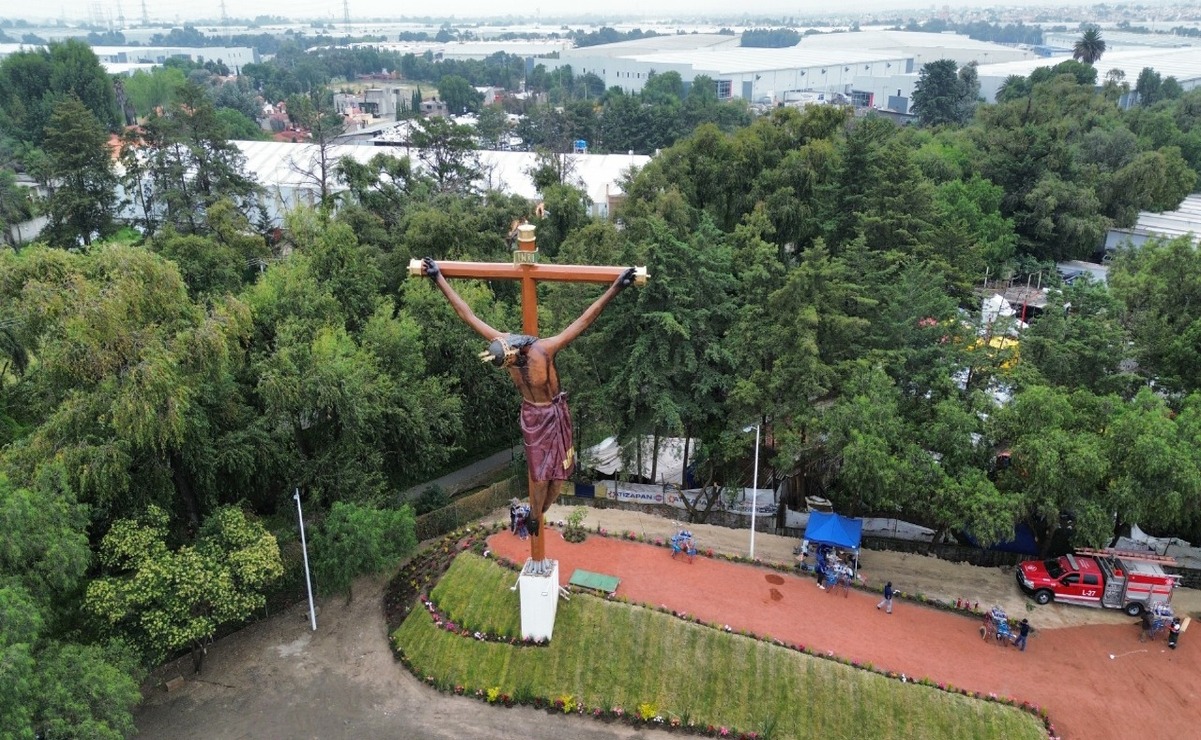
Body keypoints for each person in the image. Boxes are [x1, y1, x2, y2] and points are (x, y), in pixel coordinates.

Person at [422, 257, 637, 576]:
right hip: (533, 418)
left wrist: (615, 288)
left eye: (511, 361)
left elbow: (583, 321)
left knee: (558, 478)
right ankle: (533, 513)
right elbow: (468, 315)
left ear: (515, 352)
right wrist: (439, 279)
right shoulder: (501, 343)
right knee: (539, 475)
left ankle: (535, 512)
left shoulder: (544, 350)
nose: (512, 367)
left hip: (555, 414)